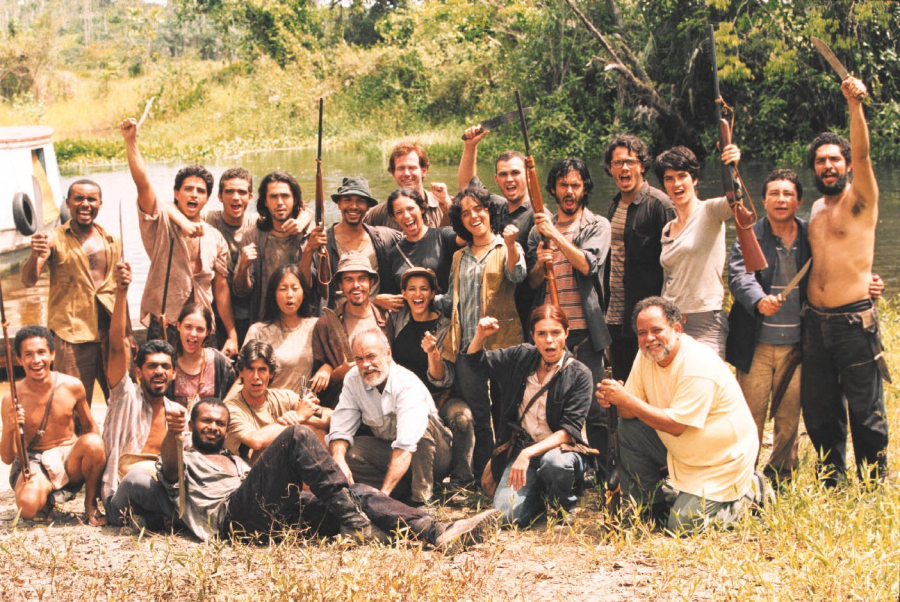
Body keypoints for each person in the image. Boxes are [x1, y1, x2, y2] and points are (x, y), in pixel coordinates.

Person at [147, 398, 500, 549]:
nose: (212, 427)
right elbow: (169, 464)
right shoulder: (184, 458)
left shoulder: (236, 461)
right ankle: (357, 524)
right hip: (234, 522)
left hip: (277, 519)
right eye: (205, 421)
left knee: (358, 491)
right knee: (297, 434)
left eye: (219, 423)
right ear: (192, 425)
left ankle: (437, 531)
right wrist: (174, 434)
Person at [596, 297, 763, 534]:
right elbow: (628, 411)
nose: (649, 338)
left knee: (682, 527)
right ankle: (649, 506)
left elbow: (677, 426)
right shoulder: (646, 356)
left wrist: (626, 399)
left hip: (720, 461)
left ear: (676, 329)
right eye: (642, 333)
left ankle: (751, 492)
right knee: (627, 430)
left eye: (656, 330)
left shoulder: (697, 363)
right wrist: (613, 400)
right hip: (682, 450)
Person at [801, 76, 889, 486]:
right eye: (820, 161)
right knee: (819, 409)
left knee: (865, 409)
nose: (828, 166)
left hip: (853, 321)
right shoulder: (817, 207)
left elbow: (867, 153)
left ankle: (872, 481)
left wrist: (855, 107)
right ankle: (831, 480)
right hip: (815, 323)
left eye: (835, 159)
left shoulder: (860, 200)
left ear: (848, 164)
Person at [464, 306, 594, 527]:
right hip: (523, 451)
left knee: (555, 464)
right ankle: (539, 497)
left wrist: (529, 453)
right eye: (541, 334)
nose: (549, 341)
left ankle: (565, 502)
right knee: (505, 517)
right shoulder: (522, 356)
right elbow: (477, 364)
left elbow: (569, 431)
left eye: (555, 333)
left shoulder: (580, 374)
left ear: (567, 333)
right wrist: (481, 335)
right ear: (533, 336)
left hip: (557, 453)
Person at [120, 118, 238, 357]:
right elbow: (143, 184)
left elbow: (221, 289)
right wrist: (131, 141)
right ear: (177, 193)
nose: (194, 194)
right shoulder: (161, 224)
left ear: (207, 198)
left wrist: (232, 333)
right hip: (167, 324)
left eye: (200, 191)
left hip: (204, 327)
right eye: (188, 189)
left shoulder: (214, 237)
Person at [431, 186, 525, 481]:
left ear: (489, 210)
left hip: (502, 348)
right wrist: (419, 299)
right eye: (465, 212)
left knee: (507, 414)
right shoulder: (459, 256)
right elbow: (450, 300)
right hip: (466, 349)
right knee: (480, 417)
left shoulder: (505, 246)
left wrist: (511, 245)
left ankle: (509, 474)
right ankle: (484, 475)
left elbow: (518, 274)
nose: (473, 216)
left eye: (479, 209)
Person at [526, 158, 611, 458]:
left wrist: (556, 236)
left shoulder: (597, 225)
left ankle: (605, 474)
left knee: (596, 408)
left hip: (585, 333)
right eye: (563, 185)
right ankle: (565, 466)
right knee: (554, 408)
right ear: (553, 189)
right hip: (552, 335)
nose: (570, 191)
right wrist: (539, 263)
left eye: (576, 185)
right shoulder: (539, 231)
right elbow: (533, 283)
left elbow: (588, 265)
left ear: (585, 189)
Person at [21, 178, 121, 405]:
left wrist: (126, 334)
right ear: (68, 203)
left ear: (100, 203)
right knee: (72, 404)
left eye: (91, 199)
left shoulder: (112, 239)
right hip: (71, 336)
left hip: (108, 334)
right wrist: (34, 256)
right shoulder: (53, 238)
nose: (85, 204)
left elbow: (116, 290)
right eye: (78, 198)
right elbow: (28, 280)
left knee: (119, 401)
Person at [328, 328, 451, 505]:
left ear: (387, 354)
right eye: (359, 359)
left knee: (420, 430)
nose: (365, 365)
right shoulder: (353, 379)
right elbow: (340, 427)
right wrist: (339, 459)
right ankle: (398, 492)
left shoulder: (406, 383)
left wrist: (383, 497)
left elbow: (406, 444)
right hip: (394, 454)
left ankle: (422, 499)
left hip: (434, 459)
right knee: (348, 452)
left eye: (371, 356)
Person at [101, 262, 184, 525]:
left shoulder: (176, 412)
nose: (158, 371)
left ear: (173, 374)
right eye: (151, 366)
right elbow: (116, 347)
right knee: (135, 479)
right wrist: (121, 293)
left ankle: (158, 518)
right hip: (123, 495)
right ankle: (166, 518)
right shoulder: (124, 396)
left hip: (161, 491)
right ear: (138, 371)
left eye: (165, 367)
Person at [0, 326, 106, 525]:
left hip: (68, 460)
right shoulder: (10, 399)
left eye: (41, 352)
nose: (36, 360)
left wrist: (95, 462)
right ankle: (47, 496)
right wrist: (10, 427)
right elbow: (6, 458)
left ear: (52, 354)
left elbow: (91, 428)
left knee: (94, 442)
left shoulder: (72, 386)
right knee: (28, 506)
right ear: (19, 359)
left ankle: (90, 505)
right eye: (28, 354)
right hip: (35, 463)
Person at [654, 144, 740, 358]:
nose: (676, 184)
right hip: (671, 321)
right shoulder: (667, 229)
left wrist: (733, 167)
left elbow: (735, 198)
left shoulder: (711, 211)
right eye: (669, 178)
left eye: (682, 176)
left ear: (694, 179)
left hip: (706, 321)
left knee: (706, 384)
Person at [457, 125, 546, 330]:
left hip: (522, 311)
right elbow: (466, 187)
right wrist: (470, 146)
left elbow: (534, 279)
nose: (509, 179)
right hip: (489, 310)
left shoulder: (539, 216)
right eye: (503, 174)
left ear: (527, 175)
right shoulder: (493, 206)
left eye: (515, 173)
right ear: (496, 179)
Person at [601, 136, 675, 381]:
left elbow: (674, 266)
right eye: (618, 162)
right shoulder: (614, 207)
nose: (624, 168)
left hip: (648, 317)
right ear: (610, 168)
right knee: (623, 381)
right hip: (616, 314)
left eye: (630, 161)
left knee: (653, 382)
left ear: (642, 166)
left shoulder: (660, 205)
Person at [395, 267, 474, 490]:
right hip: (405, 399)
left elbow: (443, 378)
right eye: (411, 289)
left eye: (424, 289)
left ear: (432, 294)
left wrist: (432, 353)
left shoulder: (446, 325)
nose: (417, 295)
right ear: (403, 293)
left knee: (463, 418)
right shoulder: (397, 318)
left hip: (440, 396)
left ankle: (461, 482)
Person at [224, 340, 331, 465]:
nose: (256, 376)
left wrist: (307, 415)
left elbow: (331, 417)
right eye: (250, 369)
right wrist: (298, 417)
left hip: (284, 470)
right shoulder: (230, 409)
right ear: (240, 372)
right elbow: (256, 441)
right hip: (248, 475)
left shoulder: (283, 397)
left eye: (262, 370)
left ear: (271, 373)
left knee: (315, 431)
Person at [311, 252, 395, 407]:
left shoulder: (386, 319)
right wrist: (337, 373)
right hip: (345, 405)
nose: (356, 285)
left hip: (385, 402)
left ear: (371, 282)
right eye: (349, 279)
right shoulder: (326, 324)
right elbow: (318, 388)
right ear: (340, 285)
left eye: (361, 279)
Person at [306, 177, 401, 309]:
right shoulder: (322, 241)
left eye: (360, 201)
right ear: (338, 204)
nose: (353, 206)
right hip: (337, 319)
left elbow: (418, 240)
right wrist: (309, 249)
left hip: (376, 319)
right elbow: (304, 284)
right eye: (347, 200)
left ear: (368, 207)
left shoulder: (384, 238)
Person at [233, 171, 314, 323]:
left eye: (285, 196)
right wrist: (243, 266)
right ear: (264, 201)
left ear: (295, 199)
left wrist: (309, 247)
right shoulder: (253, 236)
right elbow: (241, 291)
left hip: (303, 319)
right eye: (273, 196)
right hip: (265, 319)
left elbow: (312, 286)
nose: (280, 202)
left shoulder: (308, 231)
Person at [244, 265, 318, 392]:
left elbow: (336, 361)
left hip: (303, 405)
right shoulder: (258, 331)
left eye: (295, 289)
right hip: (267, 406)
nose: (289, 294)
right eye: (283, 289)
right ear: (274, 294)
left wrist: (327, 368)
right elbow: (244, 377)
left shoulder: (315, 326)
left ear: (303, 293)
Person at [204, 168, 257, 346]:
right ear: (219, 196)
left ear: (250, 197)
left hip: (251, 314)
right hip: (215, 313)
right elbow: (168, 208)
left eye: (242, 192)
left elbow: (303, 211)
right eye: (229, 192)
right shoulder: (206, 219)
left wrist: (303, 218)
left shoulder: (258, 223)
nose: (236, 197)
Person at [382, 187, 461, 294]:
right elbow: (391, 296)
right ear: (394, 218)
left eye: (410, 208)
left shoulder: (443, 236)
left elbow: (466, 238)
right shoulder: (393, 255)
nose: (406, 216)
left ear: (422, 209)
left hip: (446, 309)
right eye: (399, 212)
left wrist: (448, 204)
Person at [364, 141, 451, 230]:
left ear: (423, 171)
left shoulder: (444, 205)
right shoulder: (378, 214)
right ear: (393, 174)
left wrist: (448, 206)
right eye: (401, 168)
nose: (406, 173)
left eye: (412, 168)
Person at [165, 303, 236, 408]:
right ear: (179, 326)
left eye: (200, 329)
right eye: (188, 327)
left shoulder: (221, 364)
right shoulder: (167, 364)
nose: (193, 334)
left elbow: (234, 401)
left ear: (207, 332)